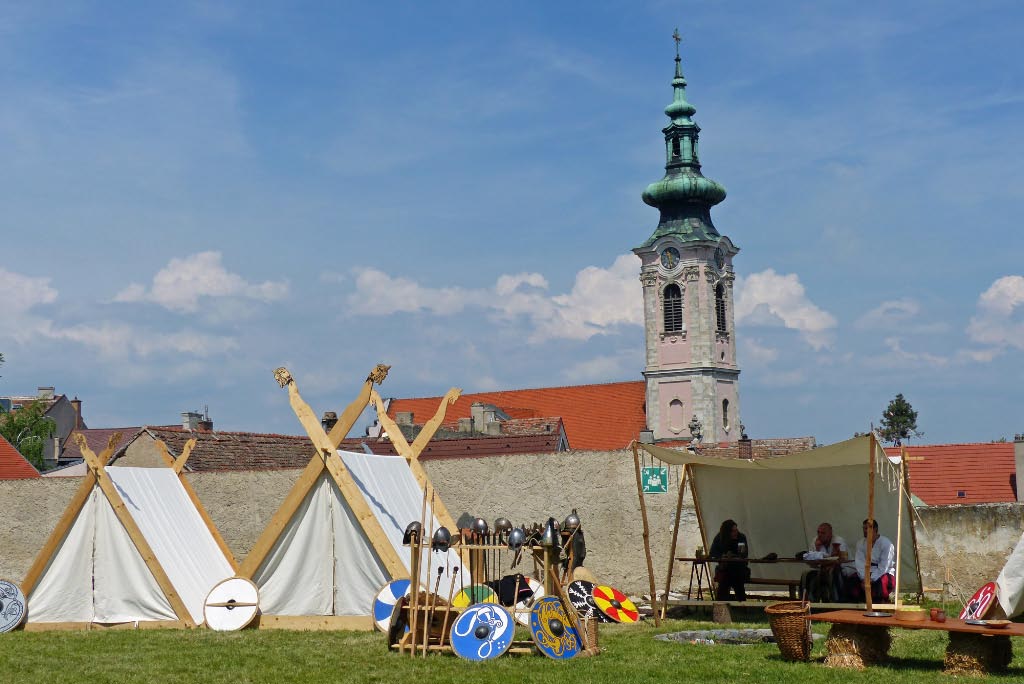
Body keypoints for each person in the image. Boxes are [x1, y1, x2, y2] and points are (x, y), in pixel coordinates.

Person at [799, 522, 857, 601]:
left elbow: (840, 560)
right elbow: (811, 561)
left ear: (830, 533)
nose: (819, 535)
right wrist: (817, 548)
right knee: (806, 575)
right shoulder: (815, 541)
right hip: (823, 569)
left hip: (845, 568)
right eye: (818, 532)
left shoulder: (838, 541)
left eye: (823, 533)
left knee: (833, 573)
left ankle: (837, 601)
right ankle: (810, 601)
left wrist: (827, 561)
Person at [846, 519, 896, 602]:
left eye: (867, 528)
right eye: (864, 528)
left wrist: (870, 579)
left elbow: (884, 567)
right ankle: (855, 607)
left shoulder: (886, 544)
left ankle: (879, 605)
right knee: (851, 581)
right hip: (866, 573)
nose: (865, 531)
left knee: (880, 583)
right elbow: (860, 563)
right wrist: (864, 578)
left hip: (883, 573)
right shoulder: (860, 543)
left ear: (875, 529)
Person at [709, 519, 749, 601]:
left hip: (739, 569)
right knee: (725, 579)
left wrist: (734, 556)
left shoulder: (741, 537)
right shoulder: (719, 538)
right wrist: (723, 556)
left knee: (734, 578)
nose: (736, 532)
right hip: (725, 569)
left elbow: (744, 555)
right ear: (727, 532)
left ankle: (741, 605)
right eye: (733, 531)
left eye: (736, 530)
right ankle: (722, 605)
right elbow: (713, 553)